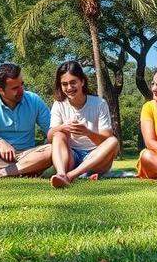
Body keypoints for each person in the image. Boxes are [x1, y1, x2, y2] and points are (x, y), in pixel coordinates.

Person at [47, 60, 120, 189]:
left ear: (82, 82)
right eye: (64, 84)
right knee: (57, 135)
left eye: (73, 82)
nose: (69, 88)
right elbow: (50, 136)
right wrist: (63, 127)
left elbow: (106, 140)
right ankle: (61, 174)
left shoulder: (99, 104)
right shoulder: (59, 104)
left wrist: (87, 132)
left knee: (113, 141)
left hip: (95, 158)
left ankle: (70, 176)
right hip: (71, 157)